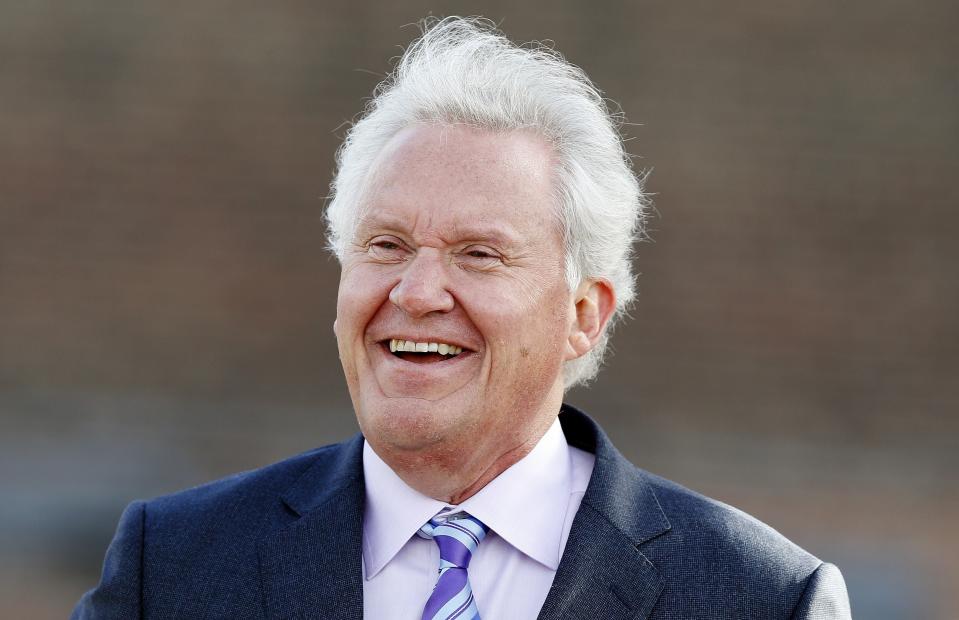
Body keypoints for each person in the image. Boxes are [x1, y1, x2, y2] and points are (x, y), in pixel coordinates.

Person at [73, 17, 852, 620]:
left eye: (478, 254)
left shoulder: (759, 598)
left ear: (584, 314)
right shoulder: (174, 566)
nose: (415, 292)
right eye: (385, 244)